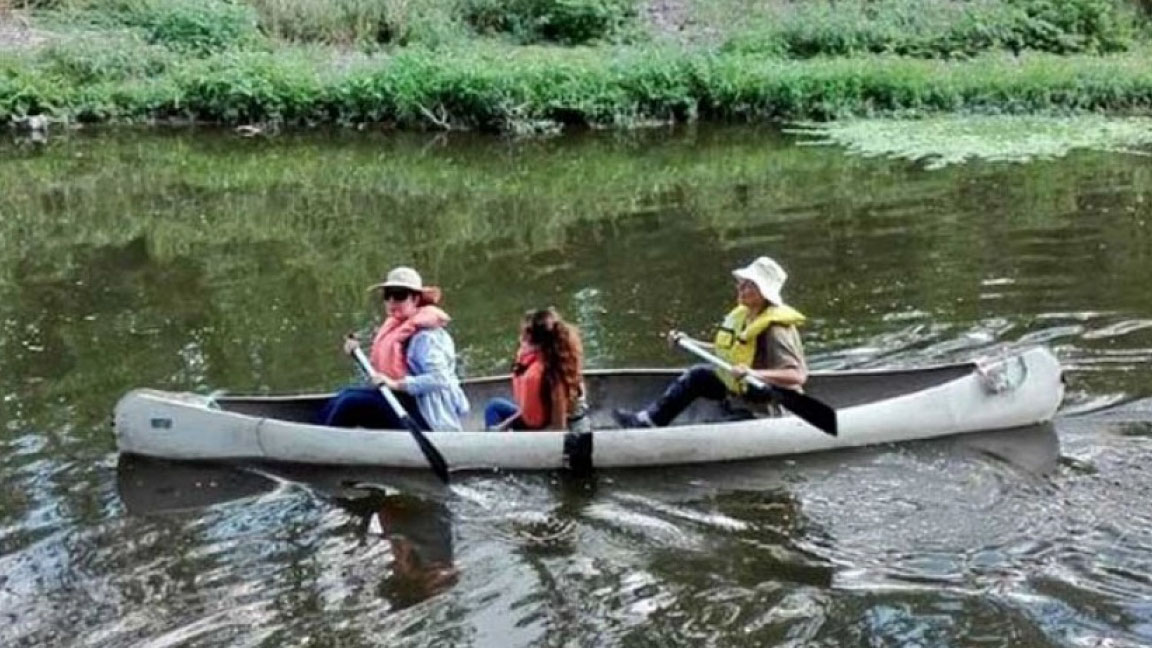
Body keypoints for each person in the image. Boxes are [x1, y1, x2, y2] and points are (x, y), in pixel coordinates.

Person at [613, 255, 807, 428]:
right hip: (742, 391)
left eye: (749, 285)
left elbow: (797, 376)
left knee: (724, 425)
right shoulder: (746, 316)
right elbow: (728, 353)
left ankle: (745, 417)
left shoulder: (776, 329)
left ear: (763, 294)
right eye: (741, 282)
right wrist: (691, 343)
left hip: (769, 401)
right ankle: (649, 421)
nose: (740, 288)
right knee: (698, 376)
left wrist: (753, 373)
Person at [318, 266, 469, 432]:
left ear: (416, 299)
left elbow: (440, 379)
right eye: (387, 295)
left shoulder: (426, 337)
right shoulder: (396, 327)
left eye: (399, 295)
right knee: (344, 395)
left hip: (428, 418)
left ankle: (321, 451)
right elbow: (382, 374)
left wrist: (396, 384)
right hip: (403, 400)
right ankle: (317, 438)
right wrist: (356, 355)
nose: (391, 301)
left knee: (350, 403)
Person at [483, 308, 588, 432]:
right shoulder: (550, 360)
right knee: (494, 406)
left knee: (495, 411)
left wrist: (525, 441)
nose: (520, 340)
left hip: (559, 436)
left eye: (523, 336)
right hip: (541, 423)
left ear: (534, 343)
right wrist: (503, 427)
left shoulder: (554, 378)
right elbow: (531, 409)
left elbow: (558, 429)